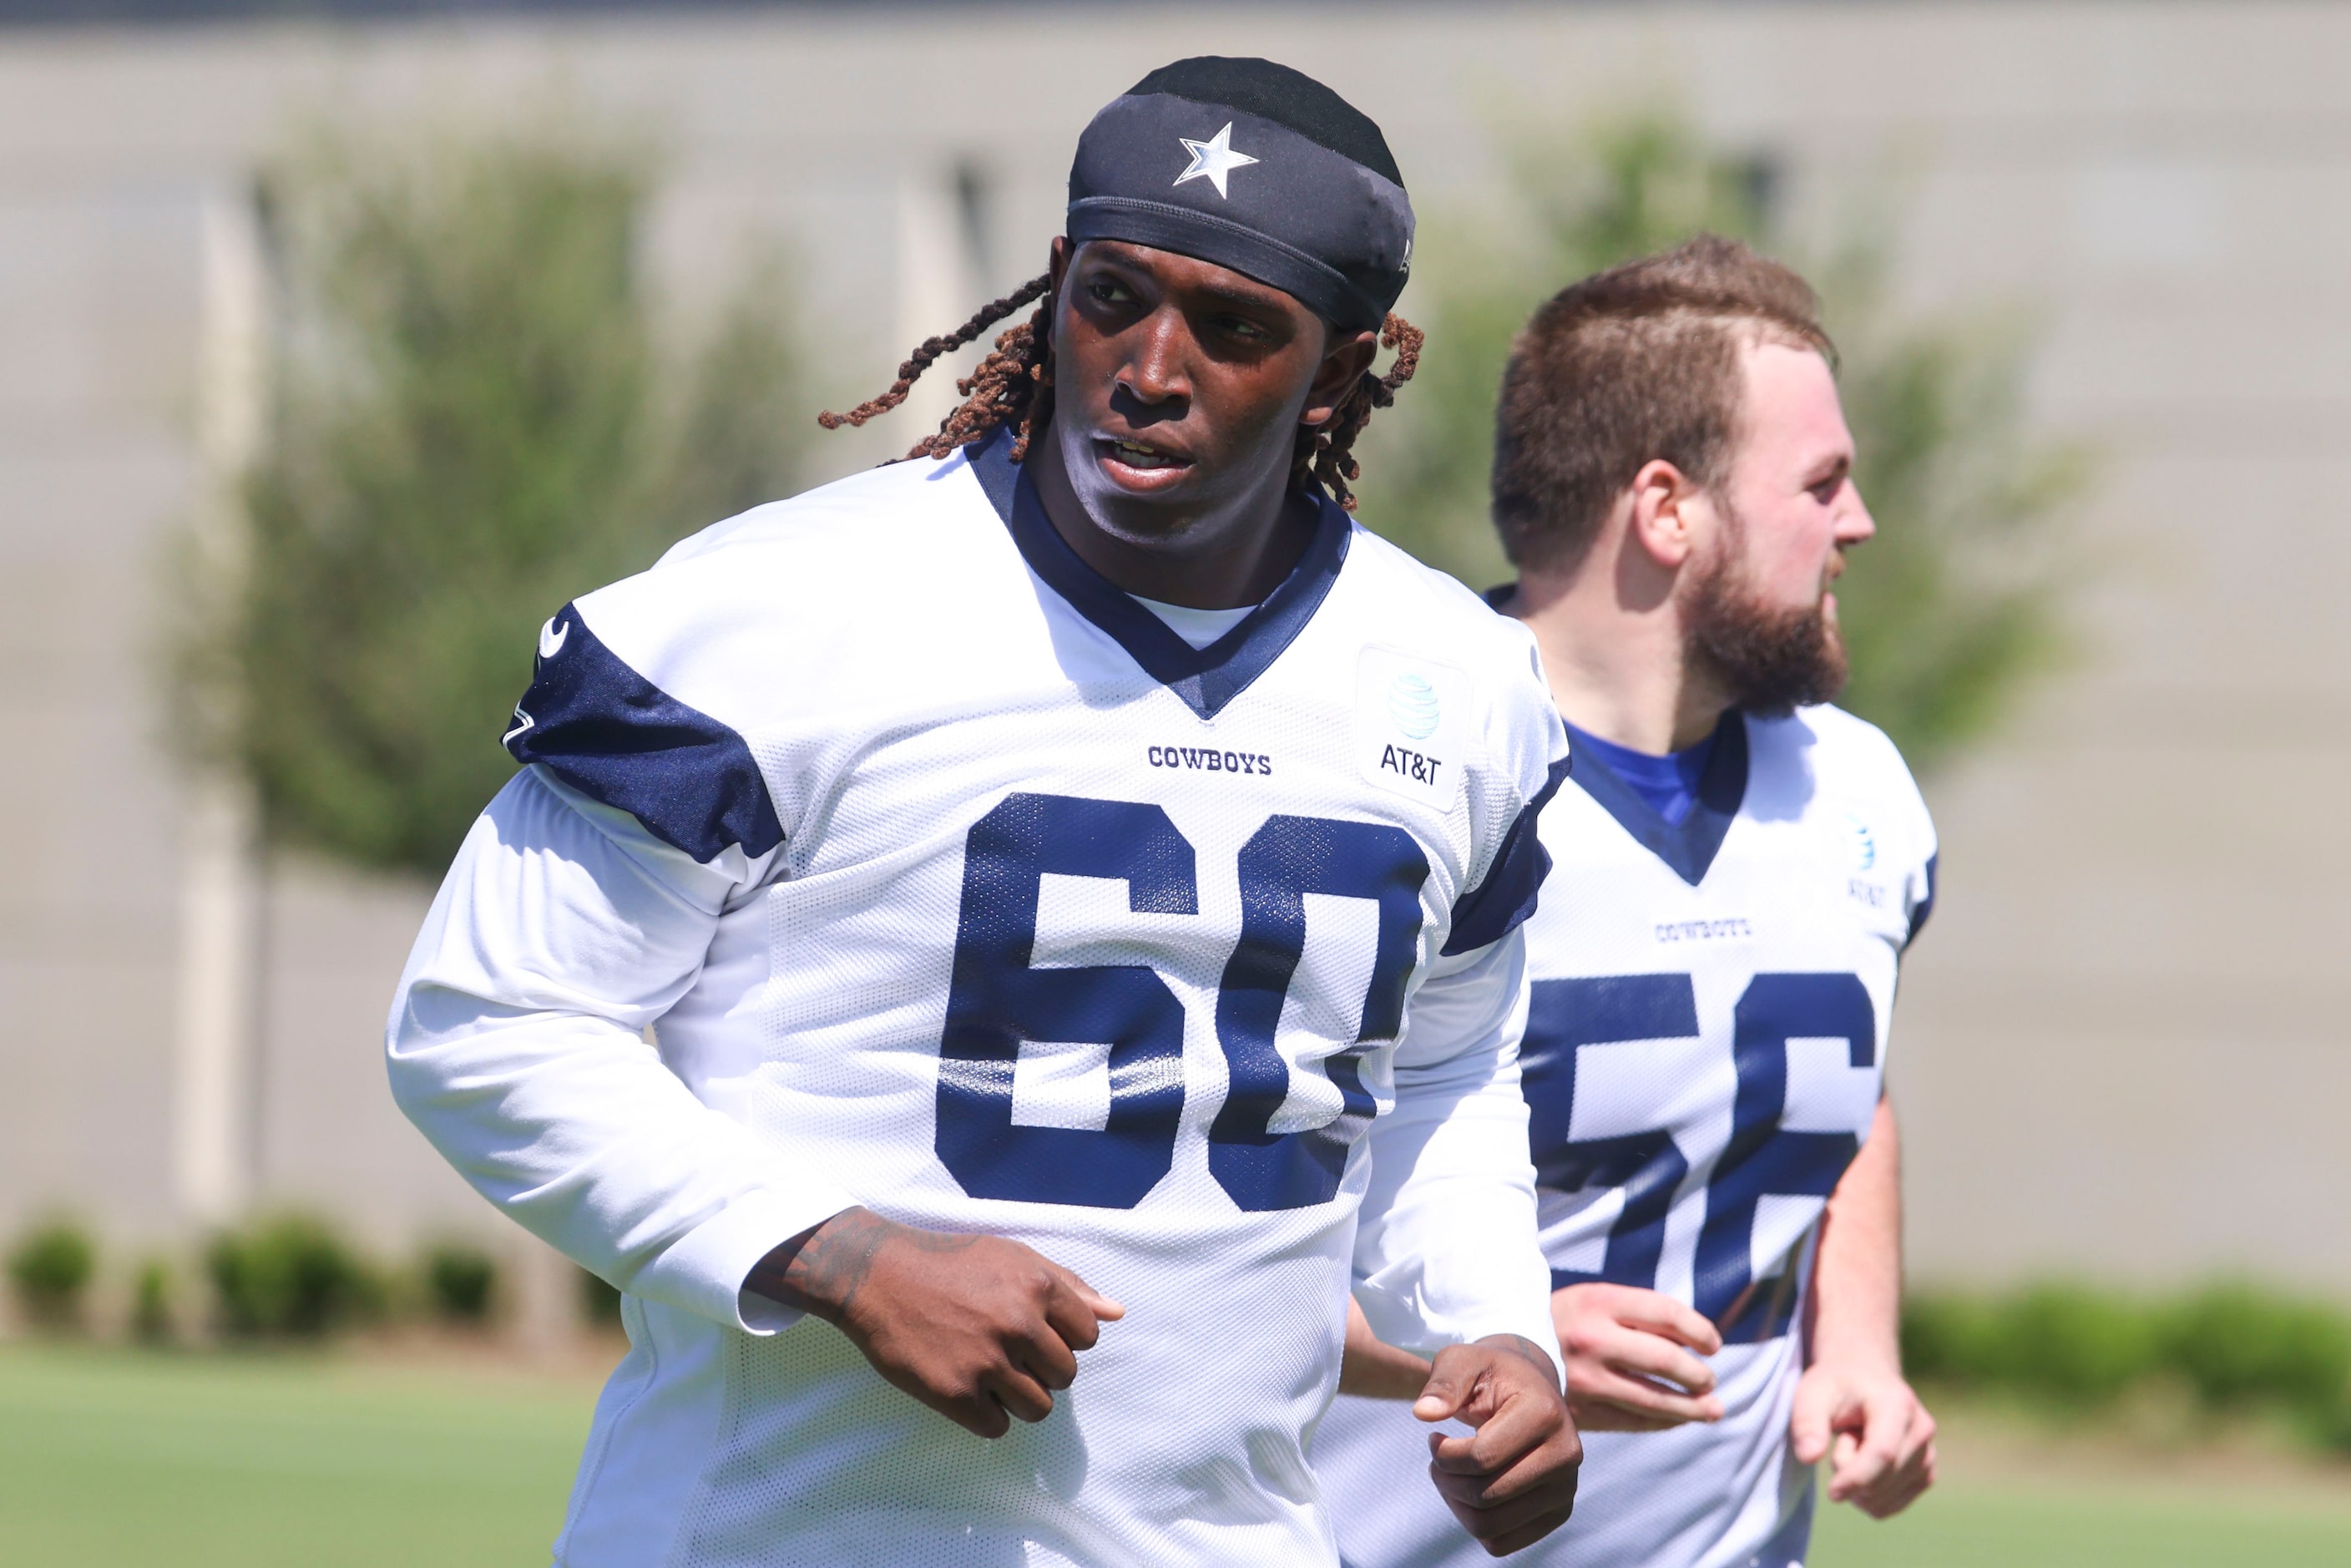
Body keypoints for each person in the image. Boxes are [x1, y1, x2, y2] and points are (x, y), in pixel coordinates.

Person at [387, 57, 1580, 1568]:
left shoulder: (1458, 683)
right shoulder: (780, 610)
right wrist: (842, 1257)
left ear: (1340, 375)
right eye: (1111, 297)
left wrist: (1493, 1323)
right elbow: (487, 1018)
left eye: (1232, 328)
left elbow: (1444, 1066)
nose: (1151, 366)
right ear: (1053, 288)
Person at [1314, 235, 1939, 1568]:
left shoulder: (1856, 783)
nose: (1859, 520)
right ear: (1667, 509)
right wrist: (1490, 1332)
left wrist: (1860, 1346)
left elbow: (1850, 1087)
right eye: (1821, 482)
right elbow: (1203, 1223)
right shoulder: (1388, 781)